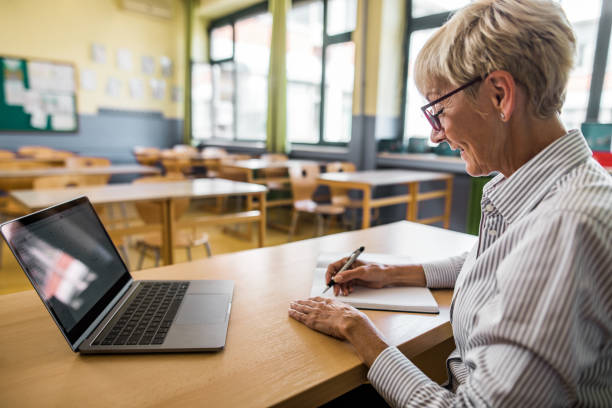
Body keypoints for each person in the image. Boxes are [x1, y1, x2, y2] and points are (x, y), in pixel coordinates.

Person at [288, 0, 612, 406]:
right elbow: (493, 262)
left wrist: (360, 331)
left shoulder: (565, 227)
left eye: (438, 109)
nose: (435, 135)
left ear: (499, 94)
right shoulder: (551, 188)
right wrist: (390, 274)